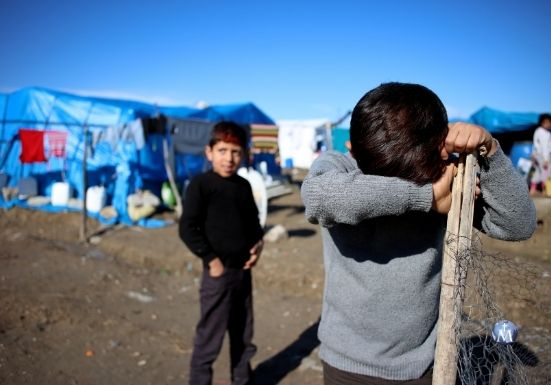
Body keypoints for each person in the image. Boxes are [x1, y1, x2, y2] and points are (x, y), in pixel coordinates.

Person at [301, 82, 536, 384]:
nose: (404, 181)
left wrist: (491, 152)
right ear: (354, 149)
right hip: (347, 363)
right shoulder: (340, 166)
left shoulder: (442, 174)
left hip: (423, 365)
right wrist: (424, 197)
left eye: (409, 175)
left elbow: (518, 224)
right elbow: (318, 198)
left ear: (438, 148)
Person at [179, 121, 264, 385]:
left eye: (236, 152)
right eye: (223, 150)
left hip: (242, 275)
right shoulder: (201, 185)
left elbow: (253, 224)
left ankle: (242, 380)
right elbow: (187, 228)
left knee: (242, 336)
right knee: (209, 340)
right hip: (217, 277)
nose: (229, 158)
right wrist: (210, 260)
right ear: (209, 152)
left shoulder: (243, 186)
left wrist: (258, 246)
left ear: (243, 154)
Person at [530, 113, 551, 195]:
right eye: (548, 122)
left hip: (538, 155)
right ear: (544, 122)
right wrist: (545, 160)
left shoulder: (538, 131)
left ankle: (532, 190)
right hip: (542, 155)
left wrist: (534, 155)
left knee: (538, 172)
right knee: (546, 172)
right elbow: (544, 147)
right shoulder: (543, 132)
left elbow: (535, 144)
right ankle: (545, 190)